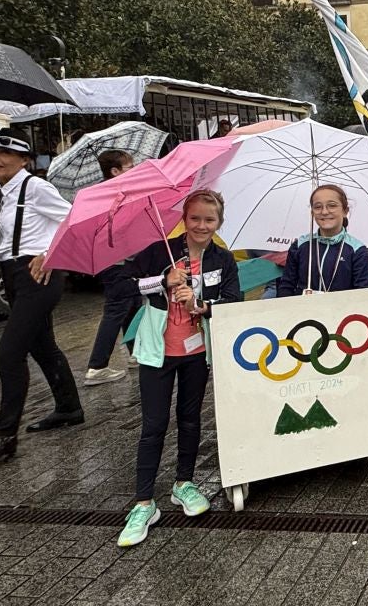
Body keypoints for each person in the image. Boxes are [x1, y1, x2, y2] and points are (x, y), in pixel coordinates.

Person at [115, 190, 242, 547]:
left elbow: (233, 301)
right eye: (195, 218)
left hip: (197, 352)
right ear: (184, 220)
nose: (202, 225)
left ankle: (183, 483)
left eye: (210, 219)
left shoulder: (223, 258)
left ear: (219, 223)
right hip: (157, 352)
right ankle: (143, 503)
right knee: (154, 424)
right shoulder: (160, 252)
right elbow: (121, 286)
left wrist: (203, 304)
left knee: (190, 419)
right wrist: (162, 281)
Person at [0, 130, 84, 463]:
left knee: (8, 354)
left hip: (39, 275)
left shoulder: (37, 187)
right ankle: (69, 408)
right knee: (42, 345)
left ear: (24, 160)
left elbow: (73, 221)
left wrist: (50, 252)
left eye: (3, 153)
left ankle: (4, 436)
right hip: (11, 274)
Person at [83, 150, 140, 385]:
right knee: (116, 310)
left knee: (132, 305)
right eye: (129, 167)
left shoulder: (109, 194)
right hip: (116, 263)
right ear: (115, 171)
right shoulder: (113, 197)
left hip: (117, 262)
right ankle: (98, 365)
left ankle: (136, 353)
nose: (134, 169)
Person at [277, 184, 368, 296]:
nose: (325, 212)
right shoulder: (300, 245)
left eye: (332, 206)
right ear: (312, 212)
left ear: (345, 211)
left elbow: (363, 293)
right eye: (317, 207)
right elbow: (286, 287)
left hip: (342, 311)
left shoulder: (356, 250)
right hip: (303, 311)